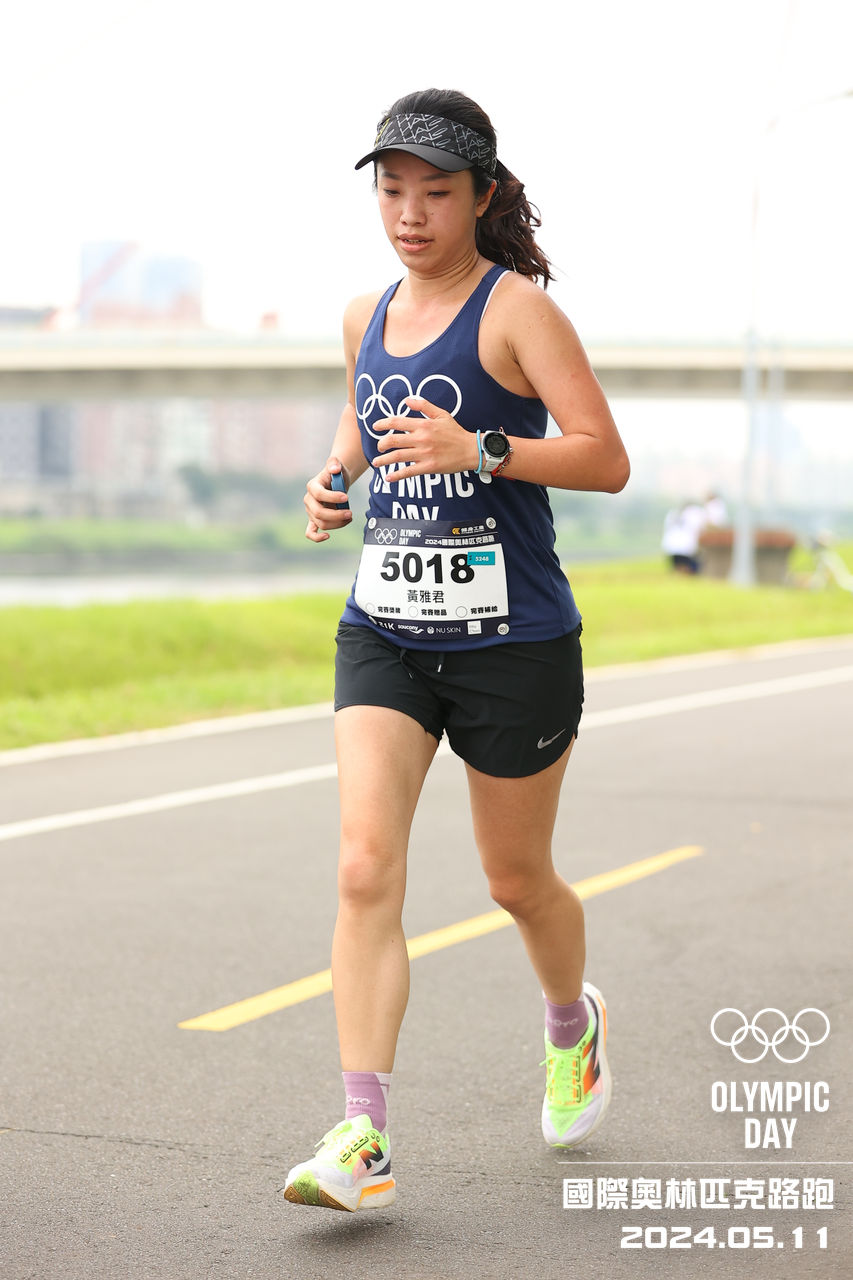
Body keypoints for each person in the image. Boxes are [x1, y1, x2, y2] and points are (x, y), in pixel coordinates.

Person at [284, 88, 630, 1214]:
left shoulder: (516, 311)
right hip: (385, 631)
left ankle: (572, 1025)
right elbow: (366, 414)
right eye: (391, 190)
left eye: (434, 192)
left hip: (513, 643)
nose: (409, 213)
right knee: (361, 865)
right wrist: (335, 475)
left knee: (514, 880)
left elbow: (603, 457)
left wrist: (480, 446)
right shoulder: (364, 314)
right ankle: (363, 1135)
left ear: (482, 196)